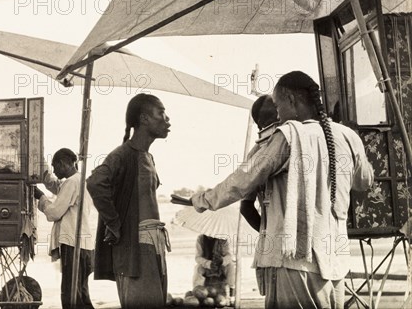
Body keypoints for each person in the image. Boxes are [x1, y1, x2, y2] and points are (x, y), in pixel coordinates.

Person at [191, 71, 374, 309]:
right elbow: (364, 182)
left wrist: (203, 199)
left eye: (278, 106)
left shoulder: (288, 136)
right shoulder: (348, 136)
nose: (278, 114)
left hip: (296, 264)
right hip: (335, 264)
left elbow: (241, 181)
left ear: (291, 100)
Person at [86, 93, 171, 309]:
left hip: (154, 244)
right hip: (136, 245)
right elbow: (95, 182)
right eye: (161, 113)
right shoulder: (122, 155)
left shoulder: (148, 157)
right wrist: (114, 223)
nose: (167, 119)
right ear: (144, 118)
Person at [33, 148, 94, 309]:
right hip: (85, 246)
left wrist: (41, 198)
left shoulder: (72, 182)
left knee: (70, 294)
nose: (54, 171)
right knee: (81, 294)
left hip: (74, 244)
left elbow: (54, 213)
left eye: (55, 167)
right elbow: (55, 185)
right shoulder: (78, 180)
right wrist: (40, 162)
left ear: (63, 164)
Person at [239, 95, 279, 232]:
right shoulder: (254, 156)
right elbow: (246, 207)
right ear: (261, 124)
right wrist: (267, 234)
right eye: (273, 117)